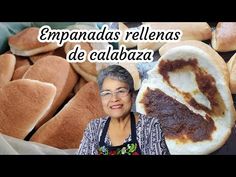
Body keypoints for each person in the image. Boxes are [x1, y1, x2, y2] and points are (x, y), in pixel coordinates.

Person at [77, 65, 170, 155]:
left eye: (121, 91)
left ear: (132, 95)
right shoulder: (93, 128)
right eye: (107, 93)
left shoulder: (150, 126)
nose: (114, 99)